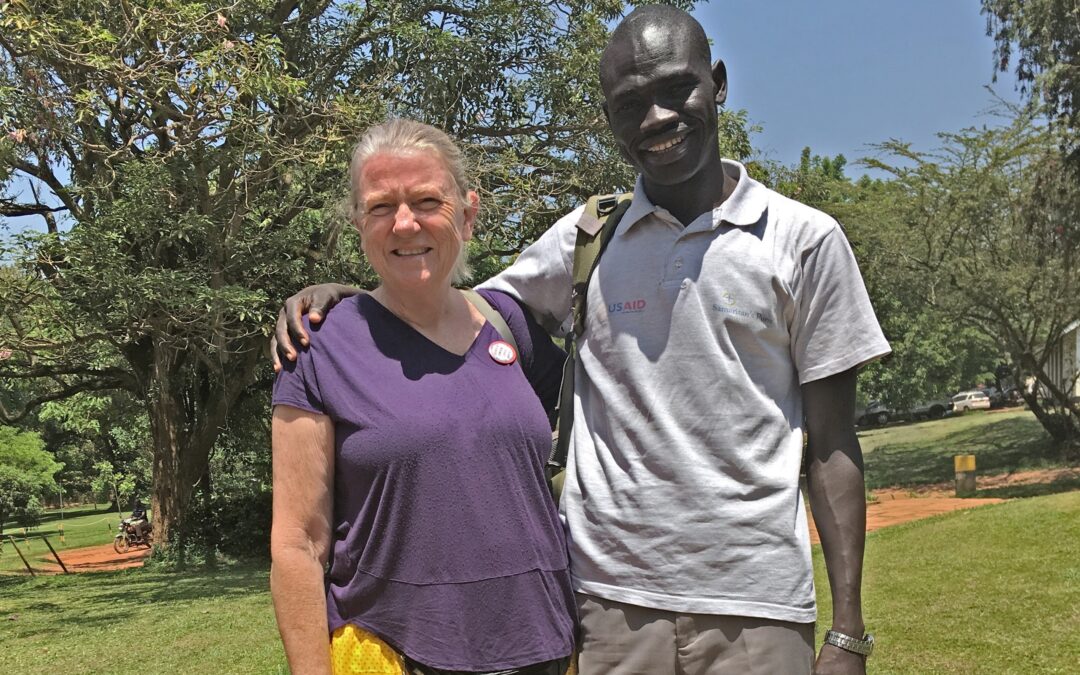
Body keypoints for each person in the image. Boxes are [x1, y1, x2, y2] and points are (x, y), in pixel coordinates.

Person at [274, 6, 890, 674]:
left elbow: (832, 444)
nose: (655, 118)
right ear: (610, 121)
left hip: (757, 605)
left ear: (717, 83)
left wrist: (848, 631)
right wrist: (343, 302)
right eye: (630, 104)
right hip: (606, 606)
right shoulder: (585, 241)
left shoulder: (804, 241)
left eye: (675, 89)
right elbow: (439, 296)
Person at [270, 119, 575, 675]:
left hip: (545, 647)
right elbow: (298, 544)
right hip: (396, 651)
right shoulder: (319, 346)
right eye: (381, 206)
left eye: (427, 200)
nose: (405, 223)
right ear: (359, 223)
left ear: (468, 213)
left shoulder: (511, 326)